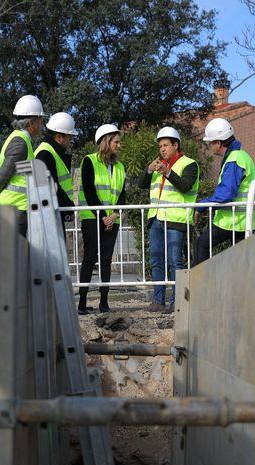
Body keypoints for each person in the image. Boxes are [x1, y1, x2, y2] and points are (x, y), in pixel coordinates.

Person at [138, 127, 199, 313]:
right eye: (160, 146)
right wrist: (148, 171)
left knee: (175, 262)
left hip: (175, 219)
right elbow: (141, 185)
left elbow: (186, 186)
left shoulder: (190, 164)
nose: (162, 149)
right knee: (156, 260)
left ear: (175, 145)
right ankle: (158, 301)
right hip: (156, 217)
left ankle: (176, 302)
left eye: (165, 145)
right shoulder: (158, 165)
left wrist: (168, 172)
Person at [77, 124, 126, 315]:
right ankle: (82, 302)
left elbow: (122, 195)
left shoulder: (120, 167)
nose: (119, 145)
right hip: (92, 219)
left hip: (112, 220)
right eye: (116, 141)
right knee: (89, 259)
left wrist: (114, 215)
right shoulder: (89, 161)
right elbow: (89, 192)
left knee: (106, 261)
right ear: (106, 142)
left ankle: (104, 302)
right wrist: (104, 216)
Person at [194, 117, 255, 264]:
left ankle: (201, 285)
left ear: (219, 142)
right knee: (240, 263)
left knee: (201, 245)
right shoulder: (243, 156)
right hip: (244, 220)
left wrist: (201, 206)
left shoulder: (234, 159)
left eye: (210, 142)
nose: (209, 146)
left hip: (232, 221)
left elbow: (226, 194)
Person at [0, 95, 44, 237]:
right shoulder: (20, 143)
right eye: (40, 120)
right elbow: (4, 172)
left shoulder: (21, 140)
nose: (41, 124)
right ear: (31, 124)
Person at [35, 112, 77, 228]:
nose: (71, 140)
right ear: (59, 137)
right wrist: (69, 208)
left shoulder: (50, 152)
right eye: (70, 136)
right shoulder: (45, 153)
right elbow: (51, 186)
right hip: (47, 217)